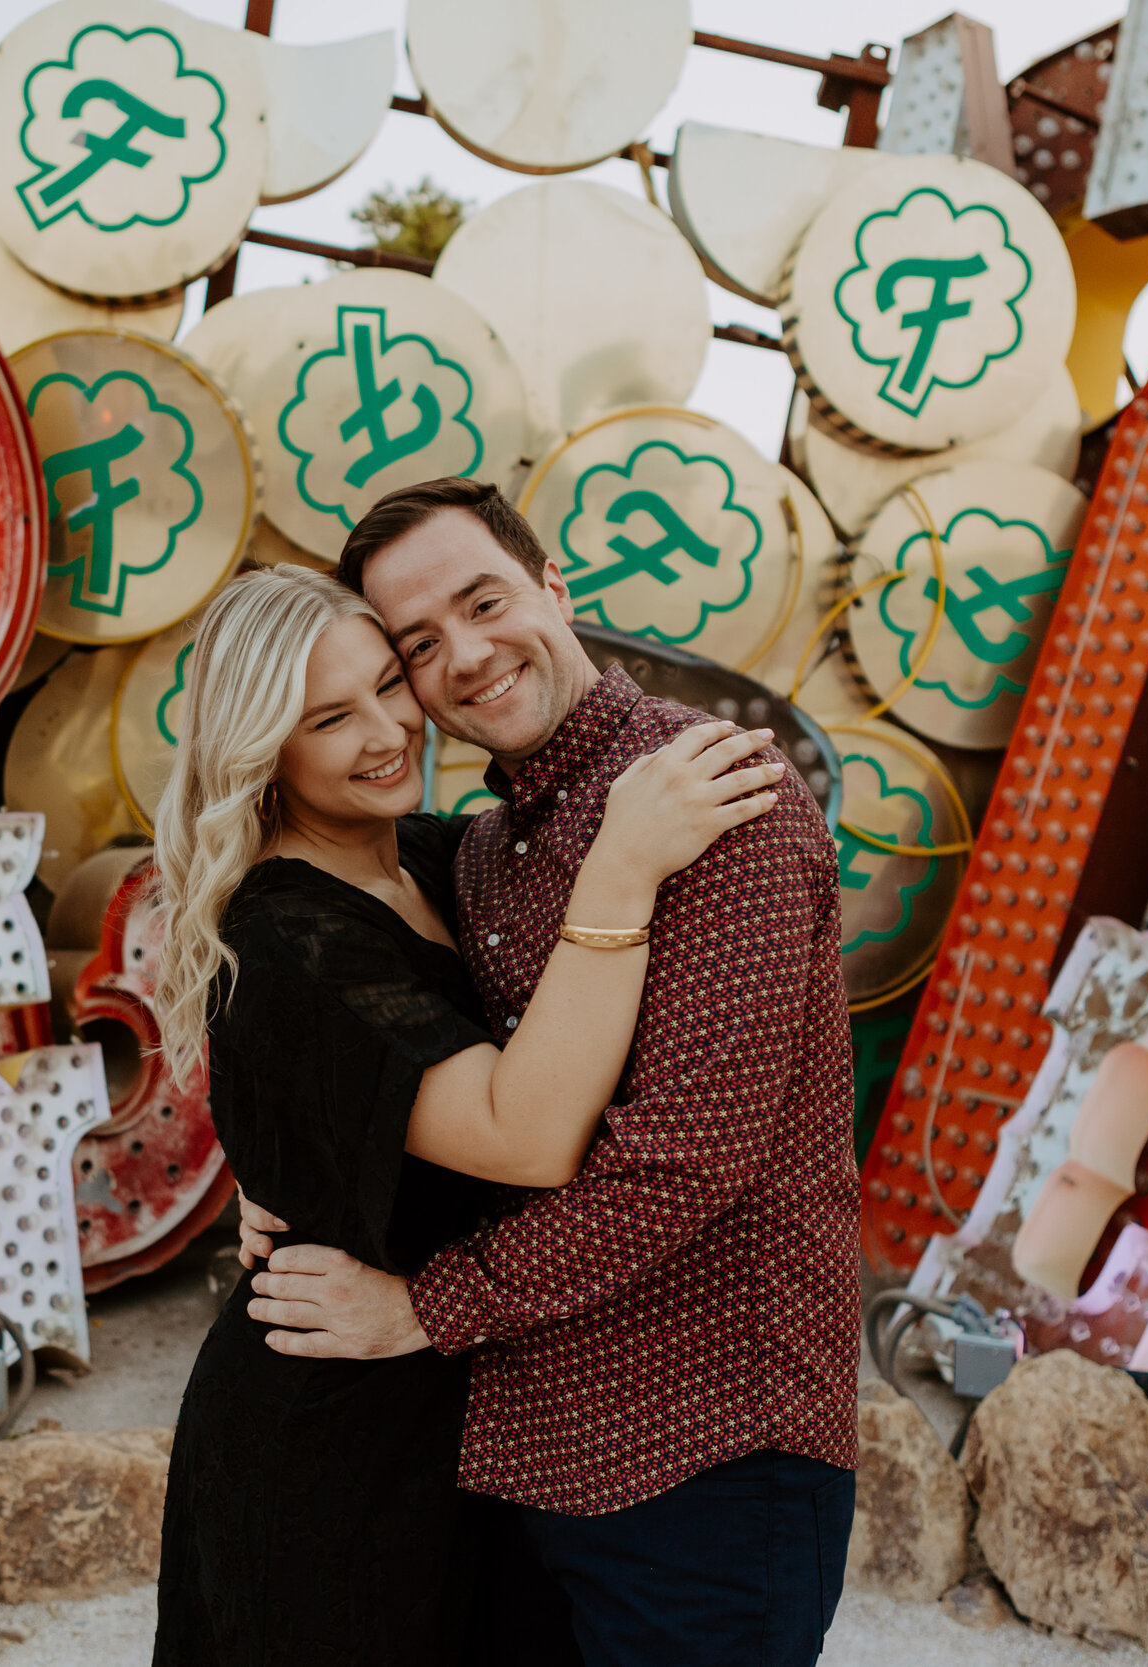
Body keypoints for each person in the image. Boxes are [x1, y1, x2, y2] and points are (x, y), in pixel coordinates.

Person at [236, 478, 867, 1666]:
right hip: (524, 1452)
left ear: (554, 588)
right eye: (418, 646)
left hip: (709, 1453)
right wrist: (300, 1158)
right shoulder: (480, 850)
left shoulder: (714, 794)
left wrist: (418, 1309)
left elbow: (678, 1165)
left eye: (485, 602)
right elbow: (349, 999)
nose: (466, 657)